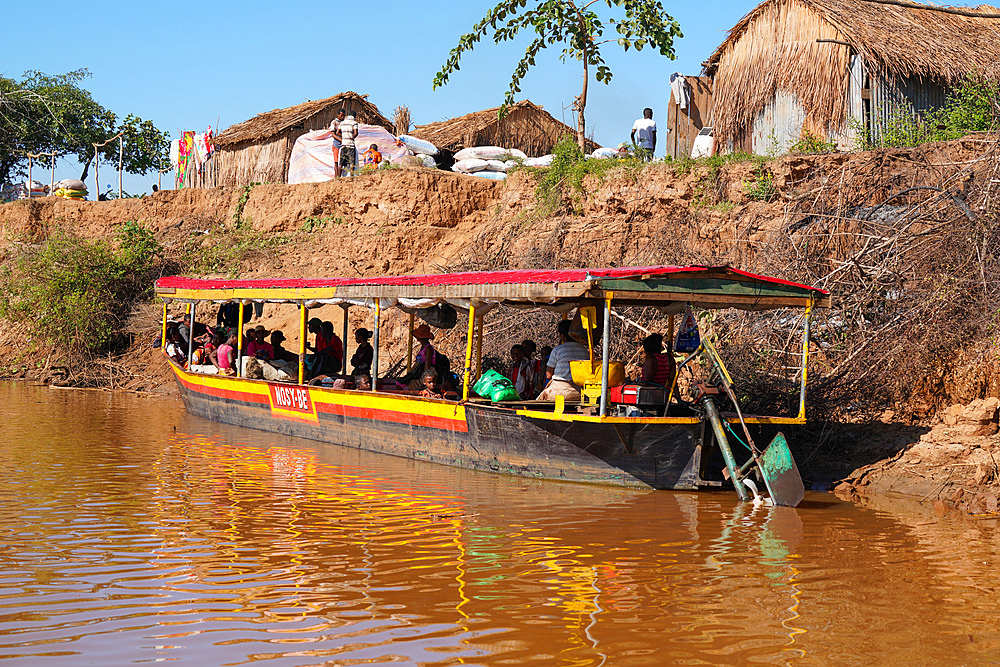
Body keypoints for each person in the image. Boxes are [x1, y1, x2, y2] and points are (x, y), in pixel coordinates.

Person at [537, 320, 590, 402]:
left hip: (560, 392)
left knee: (539, 400)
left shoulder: (557, 350)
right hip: (580, 393)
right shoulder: (584, 350)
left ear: (562, 335)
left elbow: (548, 375)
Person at [399, 323, 450, 390]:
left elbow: (427, 365)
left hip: (423, 374)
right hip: (418, 372)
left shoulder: (428, 348)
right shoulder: (423, 347)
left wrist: (424, 377)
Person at [329, 108, 346, 178]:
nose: (343, 117)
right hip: (336, 144)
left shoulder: (344, 122)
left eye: (344, 116)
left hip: (343, 143)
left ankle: (339, 175)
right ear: (338, 114)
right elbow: (333, 135)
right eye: (341, 115)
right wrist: (341, 140)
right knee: (336, 161)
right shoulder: (334, 122)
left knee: (341, 161)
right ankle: (336, 176)